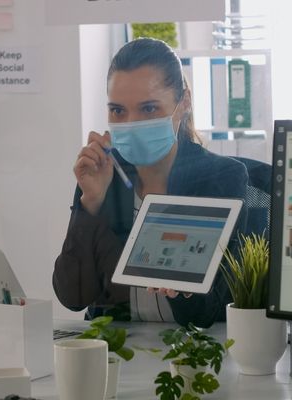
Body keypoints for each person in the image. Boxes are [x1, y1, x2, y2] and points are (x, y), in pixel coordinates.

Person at [53, 38, 248, 328]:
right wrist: (90, 203)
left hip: (192, 347)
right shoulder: (103, 174)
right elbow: (73, 297)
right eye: (118, 110)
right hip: (118, 348)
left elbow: (208, 313)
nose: (131, 123)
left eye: (148, 108)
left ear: (184, 103)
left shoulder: (220, 178)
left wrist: (179, 283)